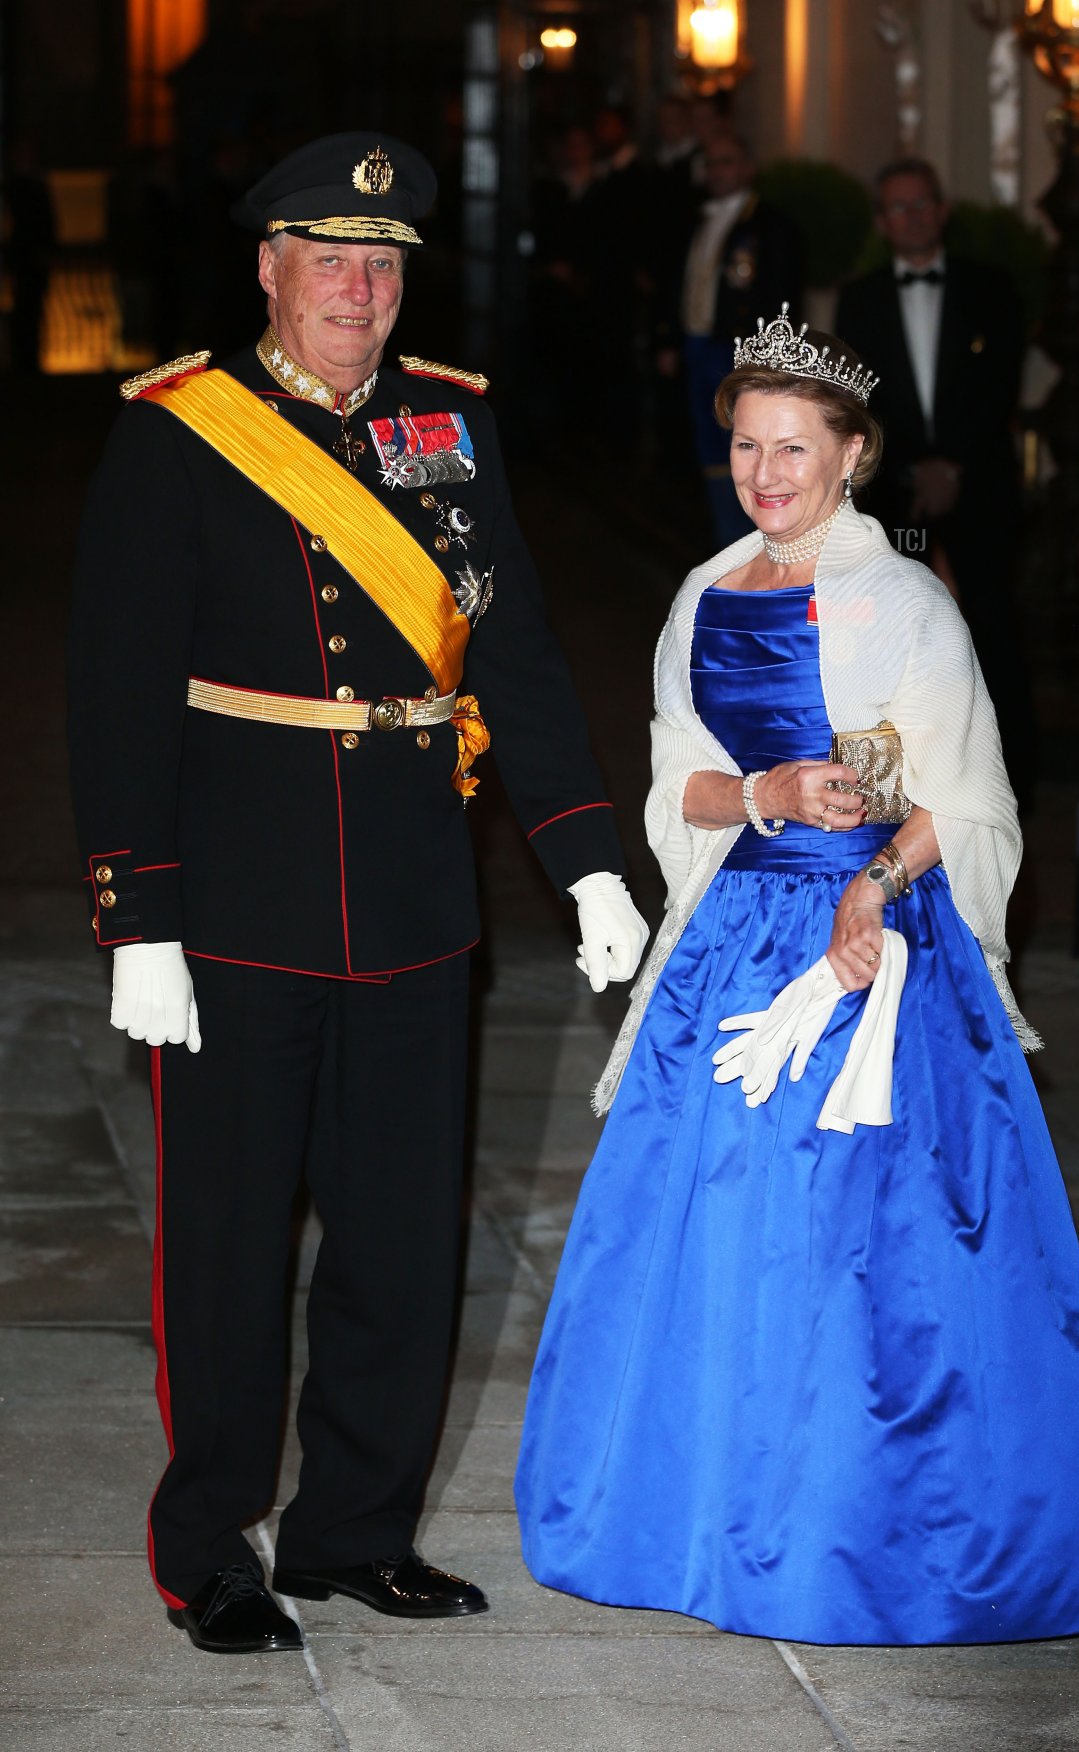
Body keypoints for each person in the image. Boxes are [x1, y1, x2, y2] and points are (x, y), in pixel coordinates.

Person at [66, 131, 648, 1655]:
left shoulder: (449, 429)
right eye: (331, 261)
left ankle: (353, 1532)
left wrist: (585, 852)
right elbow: (118, 689)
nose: (360, 291)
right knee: (229, 1248)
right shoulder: (179, 428)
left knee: (401, 1239)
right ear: (269, 270)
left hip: (410, 898)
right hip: (238, 908)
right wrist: (139, 917)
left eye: (383, 267)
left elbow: (509, 656)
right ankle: (211, 1549)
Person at [515, 310, 1079, 1645]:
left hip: (875, 946)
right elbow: (670, 784)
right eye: (747, 446)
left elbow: (969, 798)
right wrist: (760, 789)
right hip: (735, 941)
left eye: (793, 449)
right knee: (713, 1225)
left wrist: (872, 884)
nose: (766, 474)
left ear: (853, 455)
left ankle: (853, 1532)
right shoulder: (702, 593)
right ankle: (700, 1516)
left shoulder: (906, 601)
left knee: (863, 1242)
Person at [835, 156, 1036, 809]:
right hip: (899, 498)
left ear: (942, 210)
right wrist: (913, 469)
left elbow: (997, 385)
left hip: (978, 487)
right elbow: (861, 401)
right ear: (881, 222)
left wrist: (954, 465)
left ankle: (1007, 784)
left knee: (989, 622)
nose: (913, 217)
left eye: (922, 204)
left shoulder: (991, 288)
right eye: (899, 207)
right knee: (900, 631)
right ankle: (903, 788)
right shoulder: (858, 298)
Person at [656, 135, 804, 548]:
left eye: (727, 162)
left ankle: (757, 538)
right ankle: (725, 536)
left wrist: (767, 362)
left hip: (740, 352)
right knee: (708, 445)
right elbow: (677, 283)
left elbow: (783, 300)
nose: (718, 171)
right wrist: (669, 339)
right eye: (712, 163)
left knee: (746, 444)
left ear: (748, 168)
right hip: (697, 344)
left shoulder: (771, 225)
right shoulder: (694, 219)